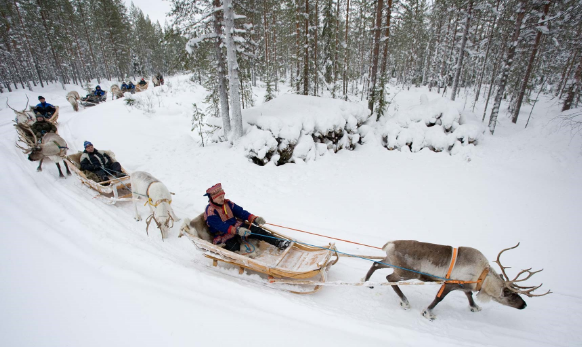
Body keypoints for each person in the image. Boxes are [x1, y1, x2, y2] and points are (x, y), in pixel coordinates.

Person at [204, 183, 290, 252]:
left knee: (258, 231)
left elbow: (241, 212)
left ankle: (279, 242)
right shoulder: (211, 211)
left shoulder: (227, 203)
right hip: (223, 233)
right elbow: (220, 226)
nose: (222, 199)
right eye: (220, 198)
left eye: (223, 196)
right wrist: (237, 230)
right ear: (212, 198)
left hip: (237, 226)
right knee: (234, 248)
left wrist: (253, 218)